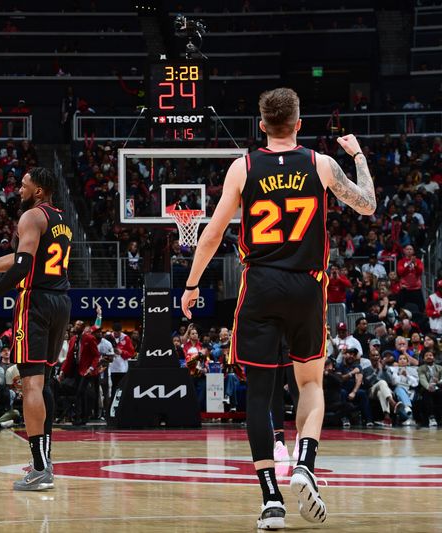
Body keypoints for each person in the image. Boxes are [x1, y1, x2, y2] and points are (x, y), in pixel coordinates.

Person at [180, 88, 376, 529]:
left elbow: (211, 234)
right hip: (308, 285)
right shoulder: (321, 164)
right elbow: (368, 204)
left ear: (262, 125)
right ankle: (305, 462)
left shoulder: (243, 167)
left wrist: (192, 284)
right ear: (299, 124)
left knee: (260, 395)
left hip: (261, 286)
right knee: (310, 384)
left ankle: (271, 501)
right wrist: (358, 154)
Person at [0, 167, 72, 491]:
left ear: (38, 190)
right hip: (60, 302)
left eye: (24, 185)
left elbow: (23, 266)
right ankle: (45, 459)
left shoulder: (31, 216)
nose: (18, 189)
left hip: (35, 303)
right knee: (45, 384)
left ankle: (40, 469)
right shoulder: (60, 220)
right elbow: (20, 257)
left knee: (31, 386)